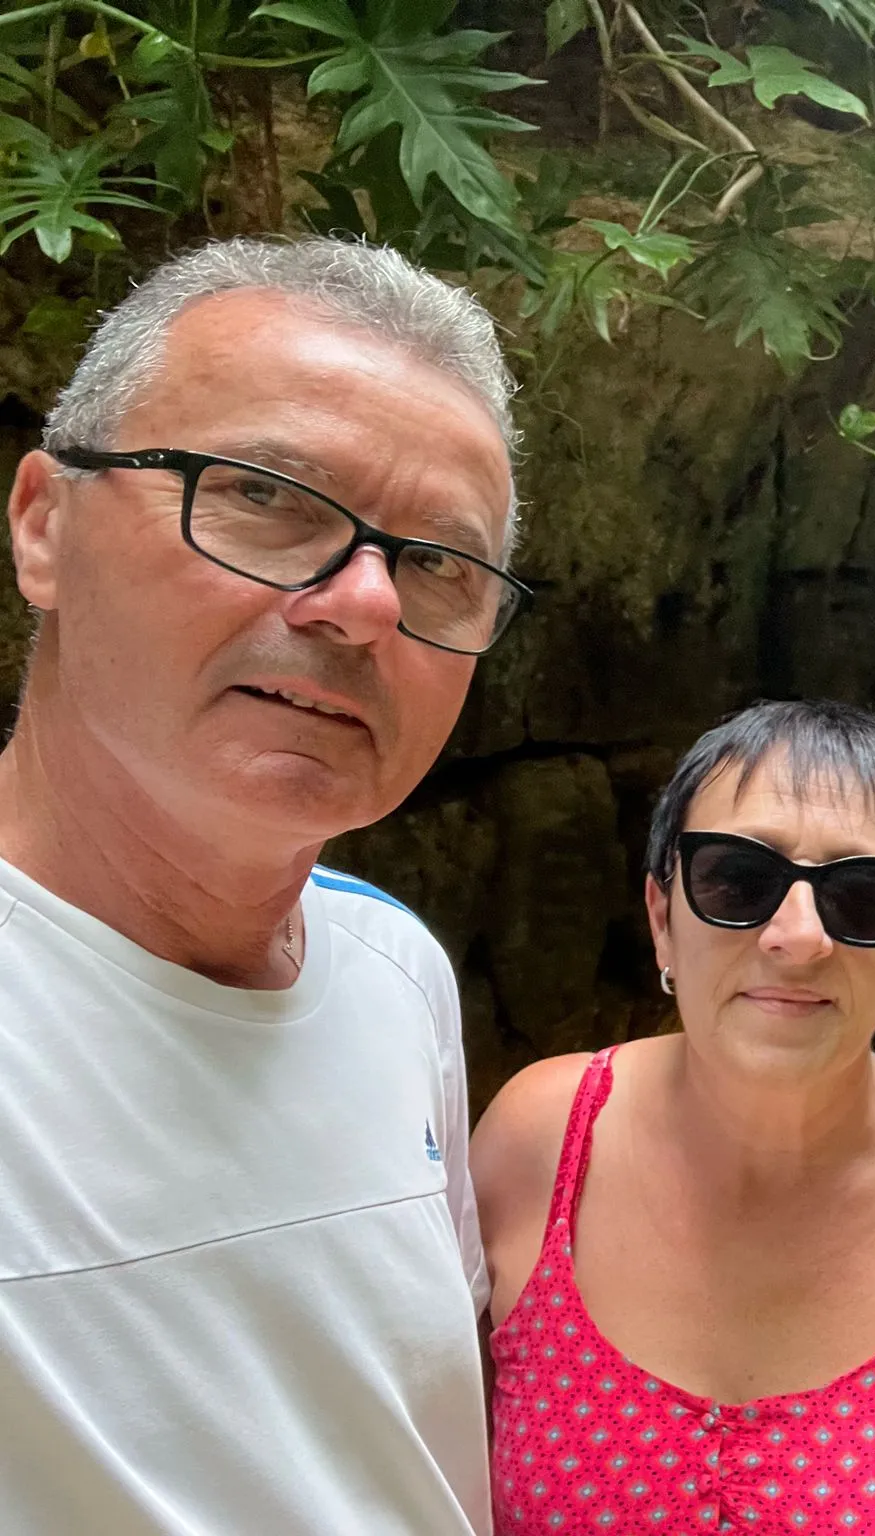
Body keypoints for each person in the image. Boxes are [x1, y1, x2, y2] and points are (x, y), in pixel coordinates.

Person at [0, 238, 532, 1532]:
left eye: (438, 566)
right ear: (44, 523)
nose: (361, 603)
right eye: (263, 495)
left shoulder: (393, 970)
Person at [473, 700, 875, 1536]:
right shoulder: (539, 1139)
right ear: (663, 916)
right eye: (738, 881)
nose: (799, 937)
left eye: (862, 898)